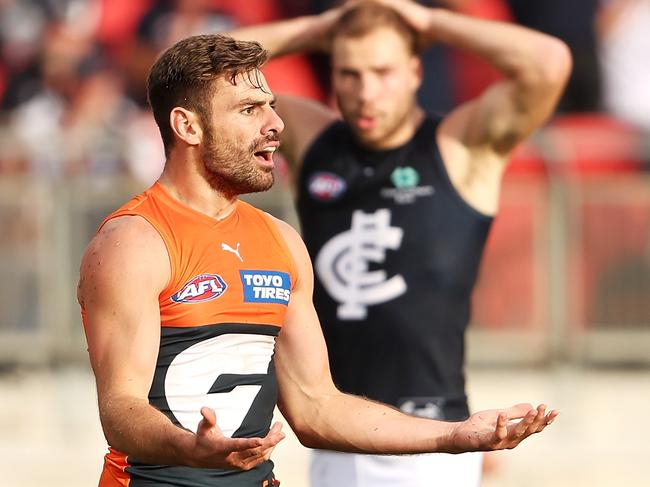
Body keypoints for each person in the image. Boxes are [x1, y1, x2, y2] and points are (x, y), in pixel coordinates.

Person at [78, 32, 559, 487]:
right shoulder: (134, 242)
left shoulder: (280, 241)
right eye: (249, 109)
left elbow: (316, 406)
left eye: (270, 105)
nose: (275, 125)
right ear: (187, 126)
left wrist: (453, 436)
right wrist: (189, 448)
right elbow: (120, 410)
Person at [226, 1, 571, 485]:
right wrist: (318, 28)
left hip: (439, 439)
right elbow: (197, 71)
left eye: (383, 72)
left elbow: (548, 62)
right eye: (350, 73)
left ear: (414, 72)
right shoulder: (313, 138)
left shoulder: (459, 145)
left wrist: (428, 22)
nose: (366, 93)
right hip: (336, 433)